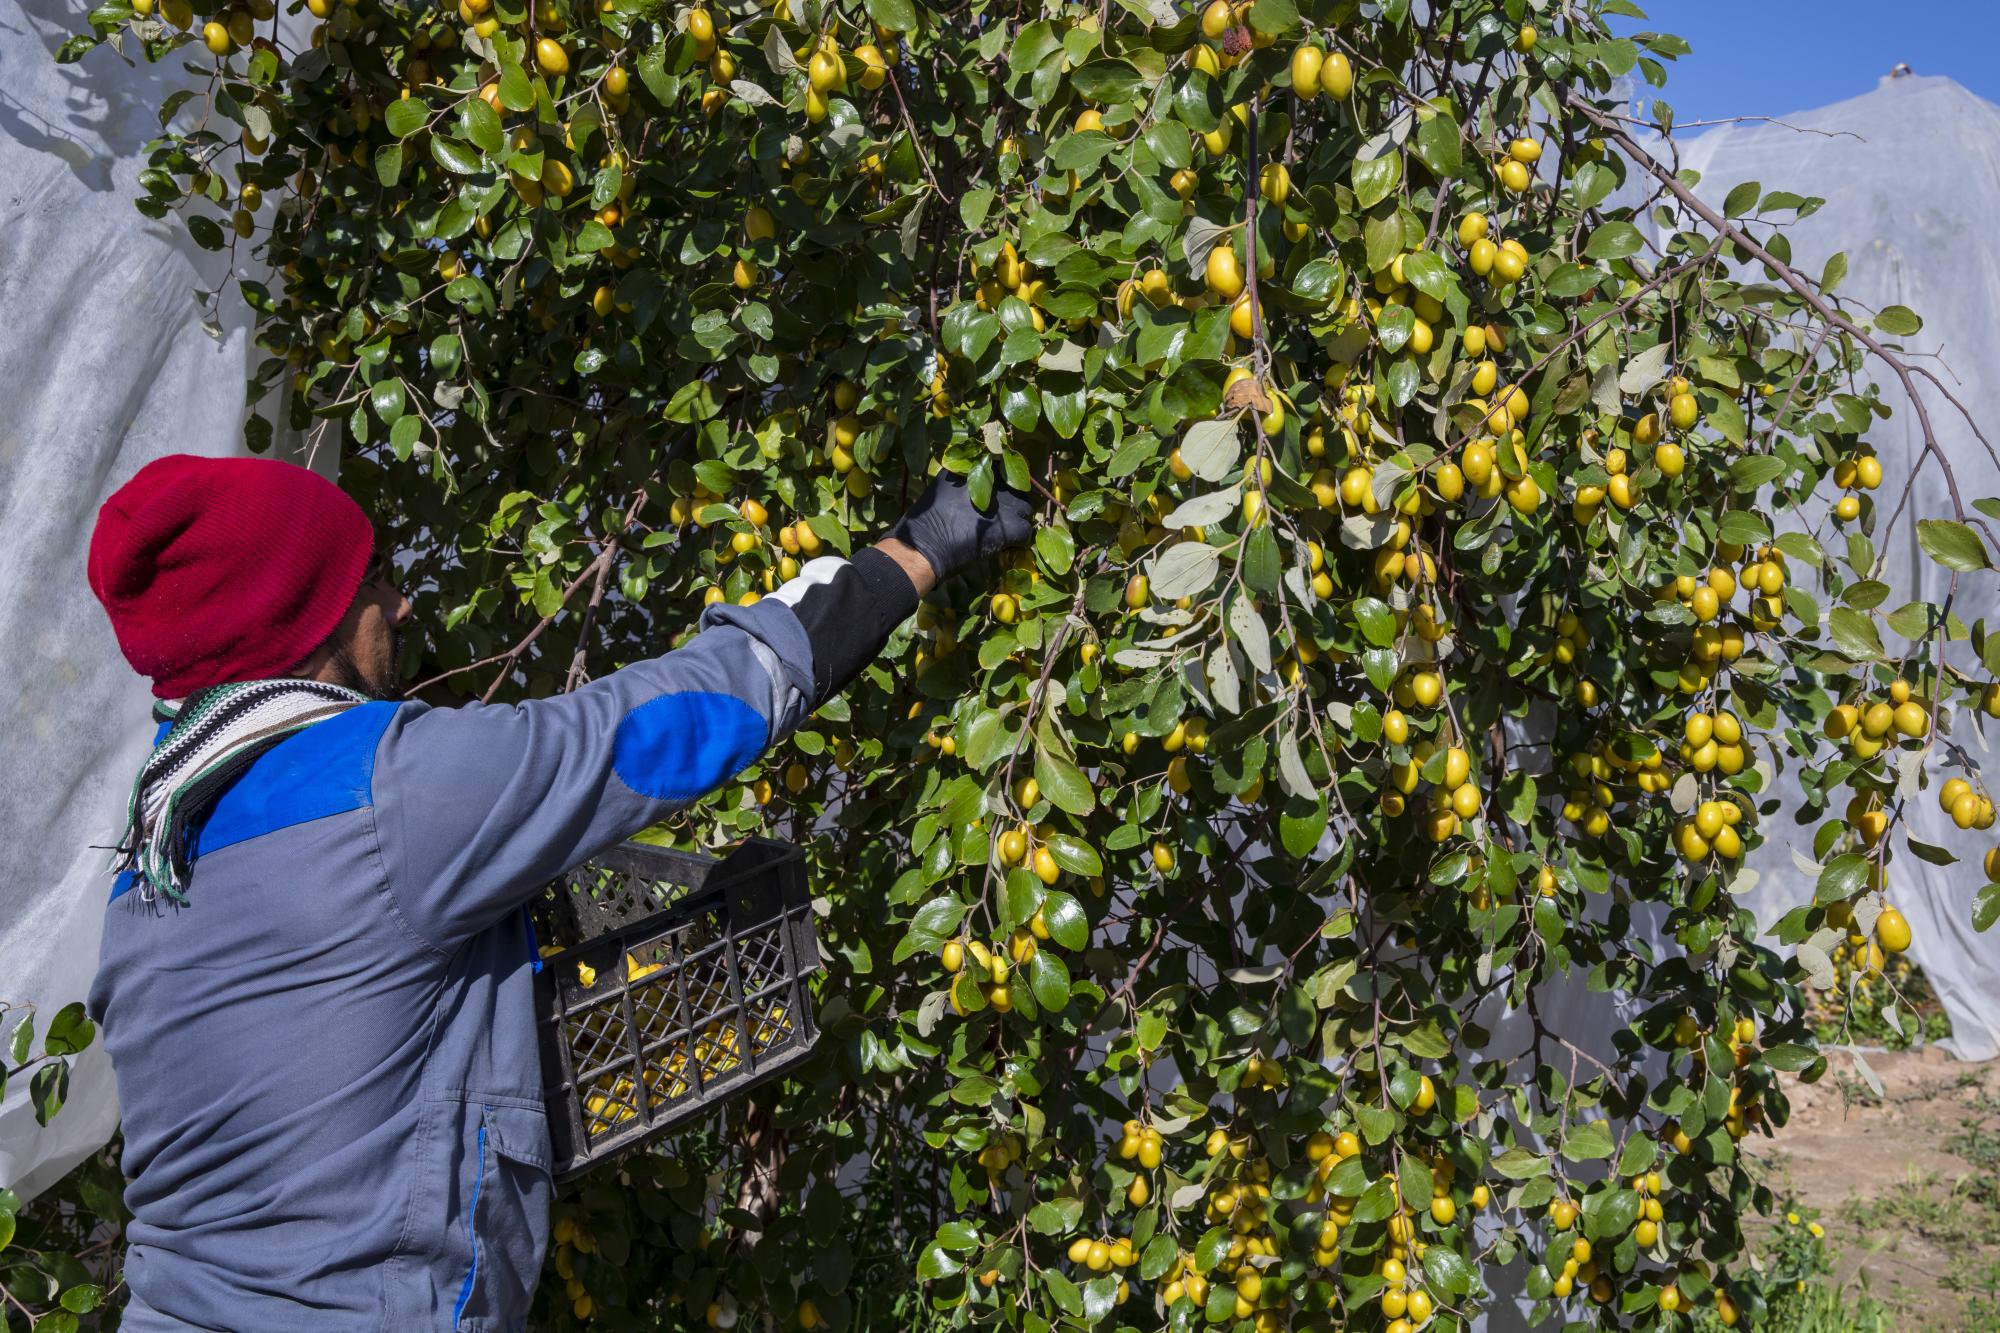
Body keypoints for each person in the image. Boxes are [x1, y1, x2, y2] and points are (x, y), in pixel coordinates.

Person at [83, 453, 1031, 1331]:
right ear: (309, 616)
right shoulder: (392, 792)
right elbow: (677, 716)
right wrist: (917, 551)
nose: (400, 605)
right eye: (372, 579)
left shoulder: (154, 851)